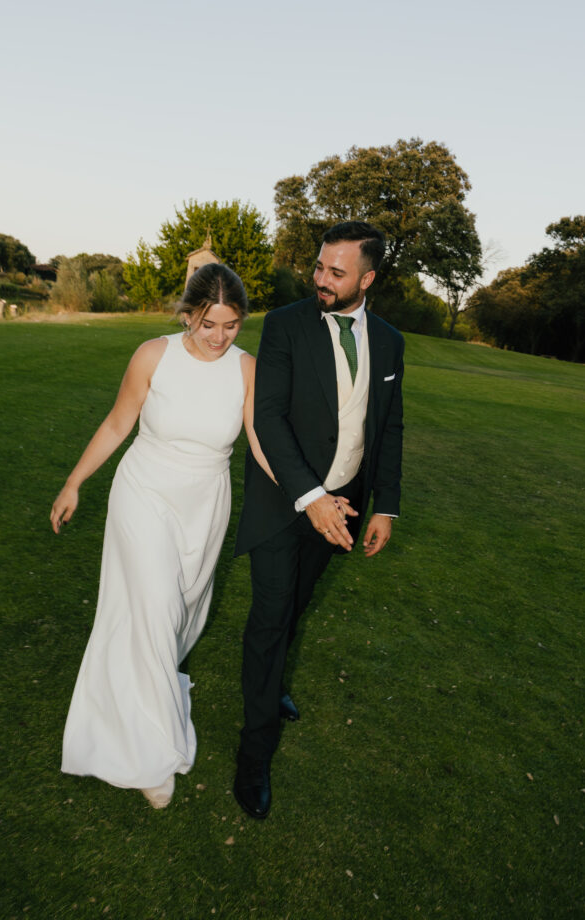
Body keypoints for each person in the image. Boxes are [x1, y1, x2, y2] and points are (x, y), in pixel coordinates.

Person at [51, 263, 272, 809]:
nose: (219, 337)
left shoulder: (246, 369)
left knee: (177, 615)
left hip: (205, 501)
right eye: (207, 324)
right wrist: (74, 483)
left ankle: (136, 699)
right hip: (144, 492)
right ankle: (152, 756)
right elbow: (117, 424)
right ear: (187, 315)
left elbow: (262, 442)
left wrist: (308, 494)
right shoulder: (153, 356)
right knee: (151, 609)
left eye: (232, 325)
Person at [233, 220, 404, 819]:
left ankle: (273, 676)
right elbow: (270, 420)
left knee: (298, 603)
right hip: (286, 505)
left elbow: (388, 427)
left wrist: (385, 504)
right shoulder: (283, 326)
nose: (321, 280)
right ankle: (253, 758)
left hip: (347, 506)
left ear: (368, 277)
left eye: (337, 271)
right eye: (318, 267)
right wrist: (311, 496)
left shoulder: (389, 341)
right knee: (271, 615)